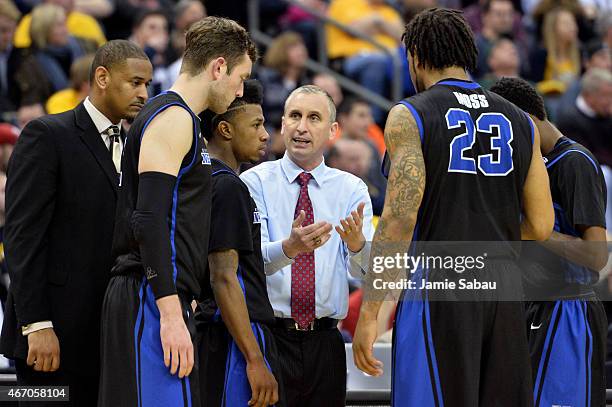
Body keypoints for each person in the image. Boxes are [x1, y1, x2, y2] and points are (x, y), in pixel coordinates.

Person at [352, 8, 554, 407]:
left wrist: (371, 313)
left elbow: (398, 220)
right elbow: (542, 225)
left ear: (415, 57)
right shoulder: (522, 121)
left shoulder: (409, 114)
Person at [98, 16, 257, 407]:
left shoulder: (183, 121)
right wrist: (168, 311)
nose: (239, 91)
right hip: (148, 298)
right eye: (240, 77)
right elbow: (149, 221)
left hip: (160, 296)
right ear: (218, 67)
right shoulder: (173, 118)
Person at [0, 39, 152, 406]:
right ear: (102, 77)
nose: (144, 93)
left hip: (109, 336)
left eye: (147, 84)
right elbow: (23, 237)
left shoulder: (137, 146)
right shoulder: (46, 134)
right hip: (49, 339)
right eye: (135, 82)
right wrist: (36, 324)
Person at [241, 85, 374, 407]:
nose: (302, 127)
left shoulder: (351, 189)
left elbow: (367, 274)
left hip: (326, 340)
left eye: (314, 118)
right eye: (295, 116)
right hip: (269, 337)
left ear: (332, 130)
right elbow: (245, 264)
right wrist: (289, 248)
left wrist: (357, 247)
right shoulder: (253, 182)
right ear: (282, 124)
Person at [490, 76, 608, 407]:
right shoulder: (528, 167)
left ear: (524, 119)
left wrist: (535, 229)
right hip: (531, 305)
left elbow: (597, 254)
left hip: (568, 308)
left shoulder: (574, 163)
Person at [198, 79, 281, 407]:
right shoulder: (229, 187)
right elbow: (223, 277)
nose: (265, 134)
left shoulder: (207, 181)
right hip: (236, 336)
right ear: (225, 129)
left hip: (226, 333)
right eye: (256, 124)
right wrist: (254, 358)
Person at [556, 68, 612, 167]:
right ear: (588, 96)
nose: (609, 101)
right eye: (605, 95)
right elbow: (585, 156)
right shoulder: (569, 119)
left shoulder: (606, 114)